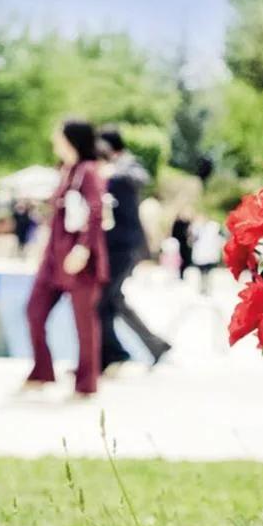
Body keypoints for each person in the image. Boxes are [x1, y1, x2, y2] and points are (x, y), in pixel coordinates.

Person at [24, 118, 108, 397]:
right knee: (34, 311)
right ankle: (42, 370)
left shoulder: (88, 172)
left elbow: (95, 211)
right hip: (54, 261)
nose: (54, 141)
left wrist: (83, 248)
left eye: (59, 136)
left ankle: (86, 384)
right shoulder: (66, 171)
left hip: (78, 261)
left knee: (84, 324)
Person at [96, 128, 170, 372]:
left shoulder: (125, 167)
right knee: (114, 300)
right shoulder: (110, 170)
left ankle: (115, 354)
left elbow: (140, 177)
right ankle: (154, 346)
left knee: (105, 299)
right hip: (119, 245)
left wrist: (112, 172)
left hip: (125, 246)